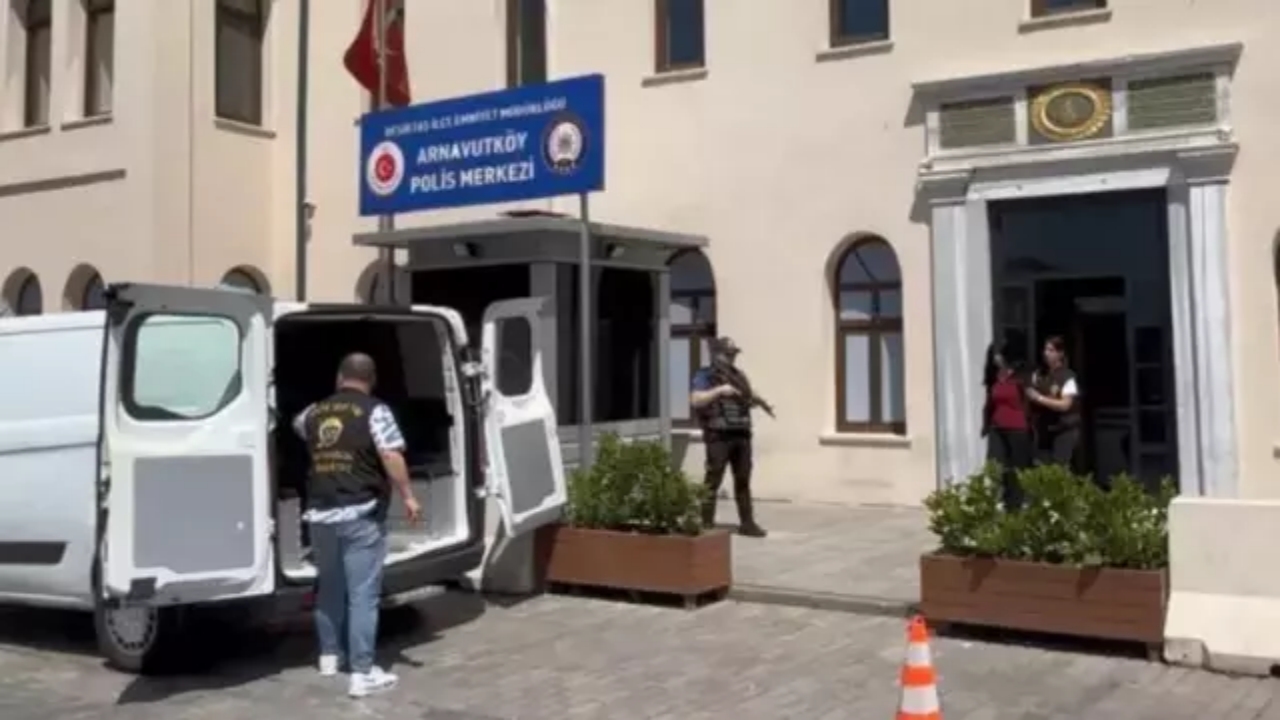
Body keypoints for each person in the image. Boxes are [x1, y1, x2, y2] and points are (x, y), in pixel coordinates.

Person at [292, 352, 422, 698]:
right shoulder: (375, 410)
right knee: (363, 595)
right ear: (372, 379)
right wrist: (408, 495)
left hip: (320, 515)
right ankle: (362, 673)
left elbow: (297, 428)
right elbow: (391, 454)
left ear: (339, 377)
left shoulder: (314, 412)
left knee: (330, 587)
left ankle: (329, 656)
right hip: (359, 512)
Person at [690, 337, 768, 538]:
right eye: (728, 353)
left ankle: (747, 523)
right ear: (716, 354)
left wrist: (756, 400)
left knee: (743, 479)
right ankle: (706, 521)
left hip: (741, 433)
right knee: (713, 478)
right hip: (718, 435)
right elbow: (696, 400)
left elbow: (746, 398)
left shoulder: (739, 376)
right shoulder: (705, 375)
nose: (732, 357)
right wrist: (719, 390)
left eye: (734, 354)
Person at [981, 339, 1033, 509]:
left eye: (998, 353)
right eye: (994, 353)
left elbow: (1031, 399)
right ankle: (999, 500)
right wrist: (985, 424)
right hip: (997, 426)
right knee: (996, 463)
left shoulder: (1023, 374)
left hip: (1018, 427)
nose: (996, 356)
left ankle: (1015, 505)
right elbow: (990, 401)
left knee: (1017, 467)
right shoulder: (996, 375)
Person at [1026, 335, 1081, 469]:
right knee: (1041, 467)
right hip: (1043, 429)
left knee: (1058, 470)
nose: (1046, 353)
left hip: (1063, 430)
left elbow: (1065, 405)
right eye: (1045, 349)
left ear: (1060, 353)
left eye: (1050, 350)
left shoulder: (1067, 376)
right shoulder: (1039, 374)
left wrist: (1039, 398)